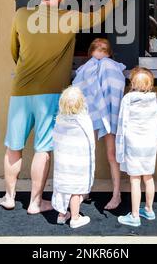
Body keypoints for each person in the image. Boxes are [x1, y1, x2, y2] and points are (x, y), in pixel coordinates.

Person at [0, 0, 130, 214]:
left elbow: (13, 50)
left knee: (13, 147)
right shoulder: (70, 18)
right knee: (43, 150)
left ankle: (9, 196)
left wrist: (25, 69)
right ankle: (35, 202)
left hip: (20, 91)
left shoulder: (21, 14)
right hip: (49, 94)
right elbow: (98, 16)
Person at [72, 38, 126, 210]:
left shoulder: (111, 67)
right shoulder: (87, 68)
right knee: (90, 153)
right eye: (98, 49)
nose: (100, 52)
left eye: (103, 49)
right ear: (91, 52)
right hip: (91, 113)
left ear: (109, 53)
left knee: (110, 155)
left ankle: (116, 194)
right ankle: (84, 190)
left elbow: (115, 90)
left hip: (108, 114)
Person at [116, 67, 157, 227]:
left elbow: (122, 123)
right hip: (149, 145)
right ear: (150, 84)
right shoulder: (153, 99)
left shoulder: (128, 99)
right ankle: (148, 210)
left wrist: (120, 146)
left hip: (133, 144)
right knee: (148, 177)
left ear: (132, 83)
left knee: (135, 179)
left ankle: (134, 215)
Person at [52, 86, 95, 229]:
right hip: (77, 163)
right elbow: (90, 142)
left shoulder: (59, 120)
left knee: (63, 189)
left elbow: (56, 140)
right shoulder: (84, 121)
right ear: (82, 103)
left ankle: (62, 215)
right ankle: (75, 218)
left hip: (62, 163)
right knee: (75, 190)